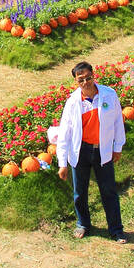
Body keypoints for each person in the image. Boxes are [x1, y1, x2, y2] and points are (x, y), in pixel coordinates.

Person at [54, 61, 127, 243]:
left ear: (94, 75)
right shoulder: (72, 103)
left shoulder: (109, 95)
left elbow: (118, 121)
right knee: (80, 192)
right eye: (81, 80)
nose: (86, 82)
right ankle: (83, 223)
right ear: (76, 81)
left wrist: (117, 147)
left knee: (109, 190)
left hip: (103, 150)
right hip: (81, 152)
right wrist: (63, 163)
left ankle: (116, 229)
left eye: (88, 78)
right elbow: (65, 133)